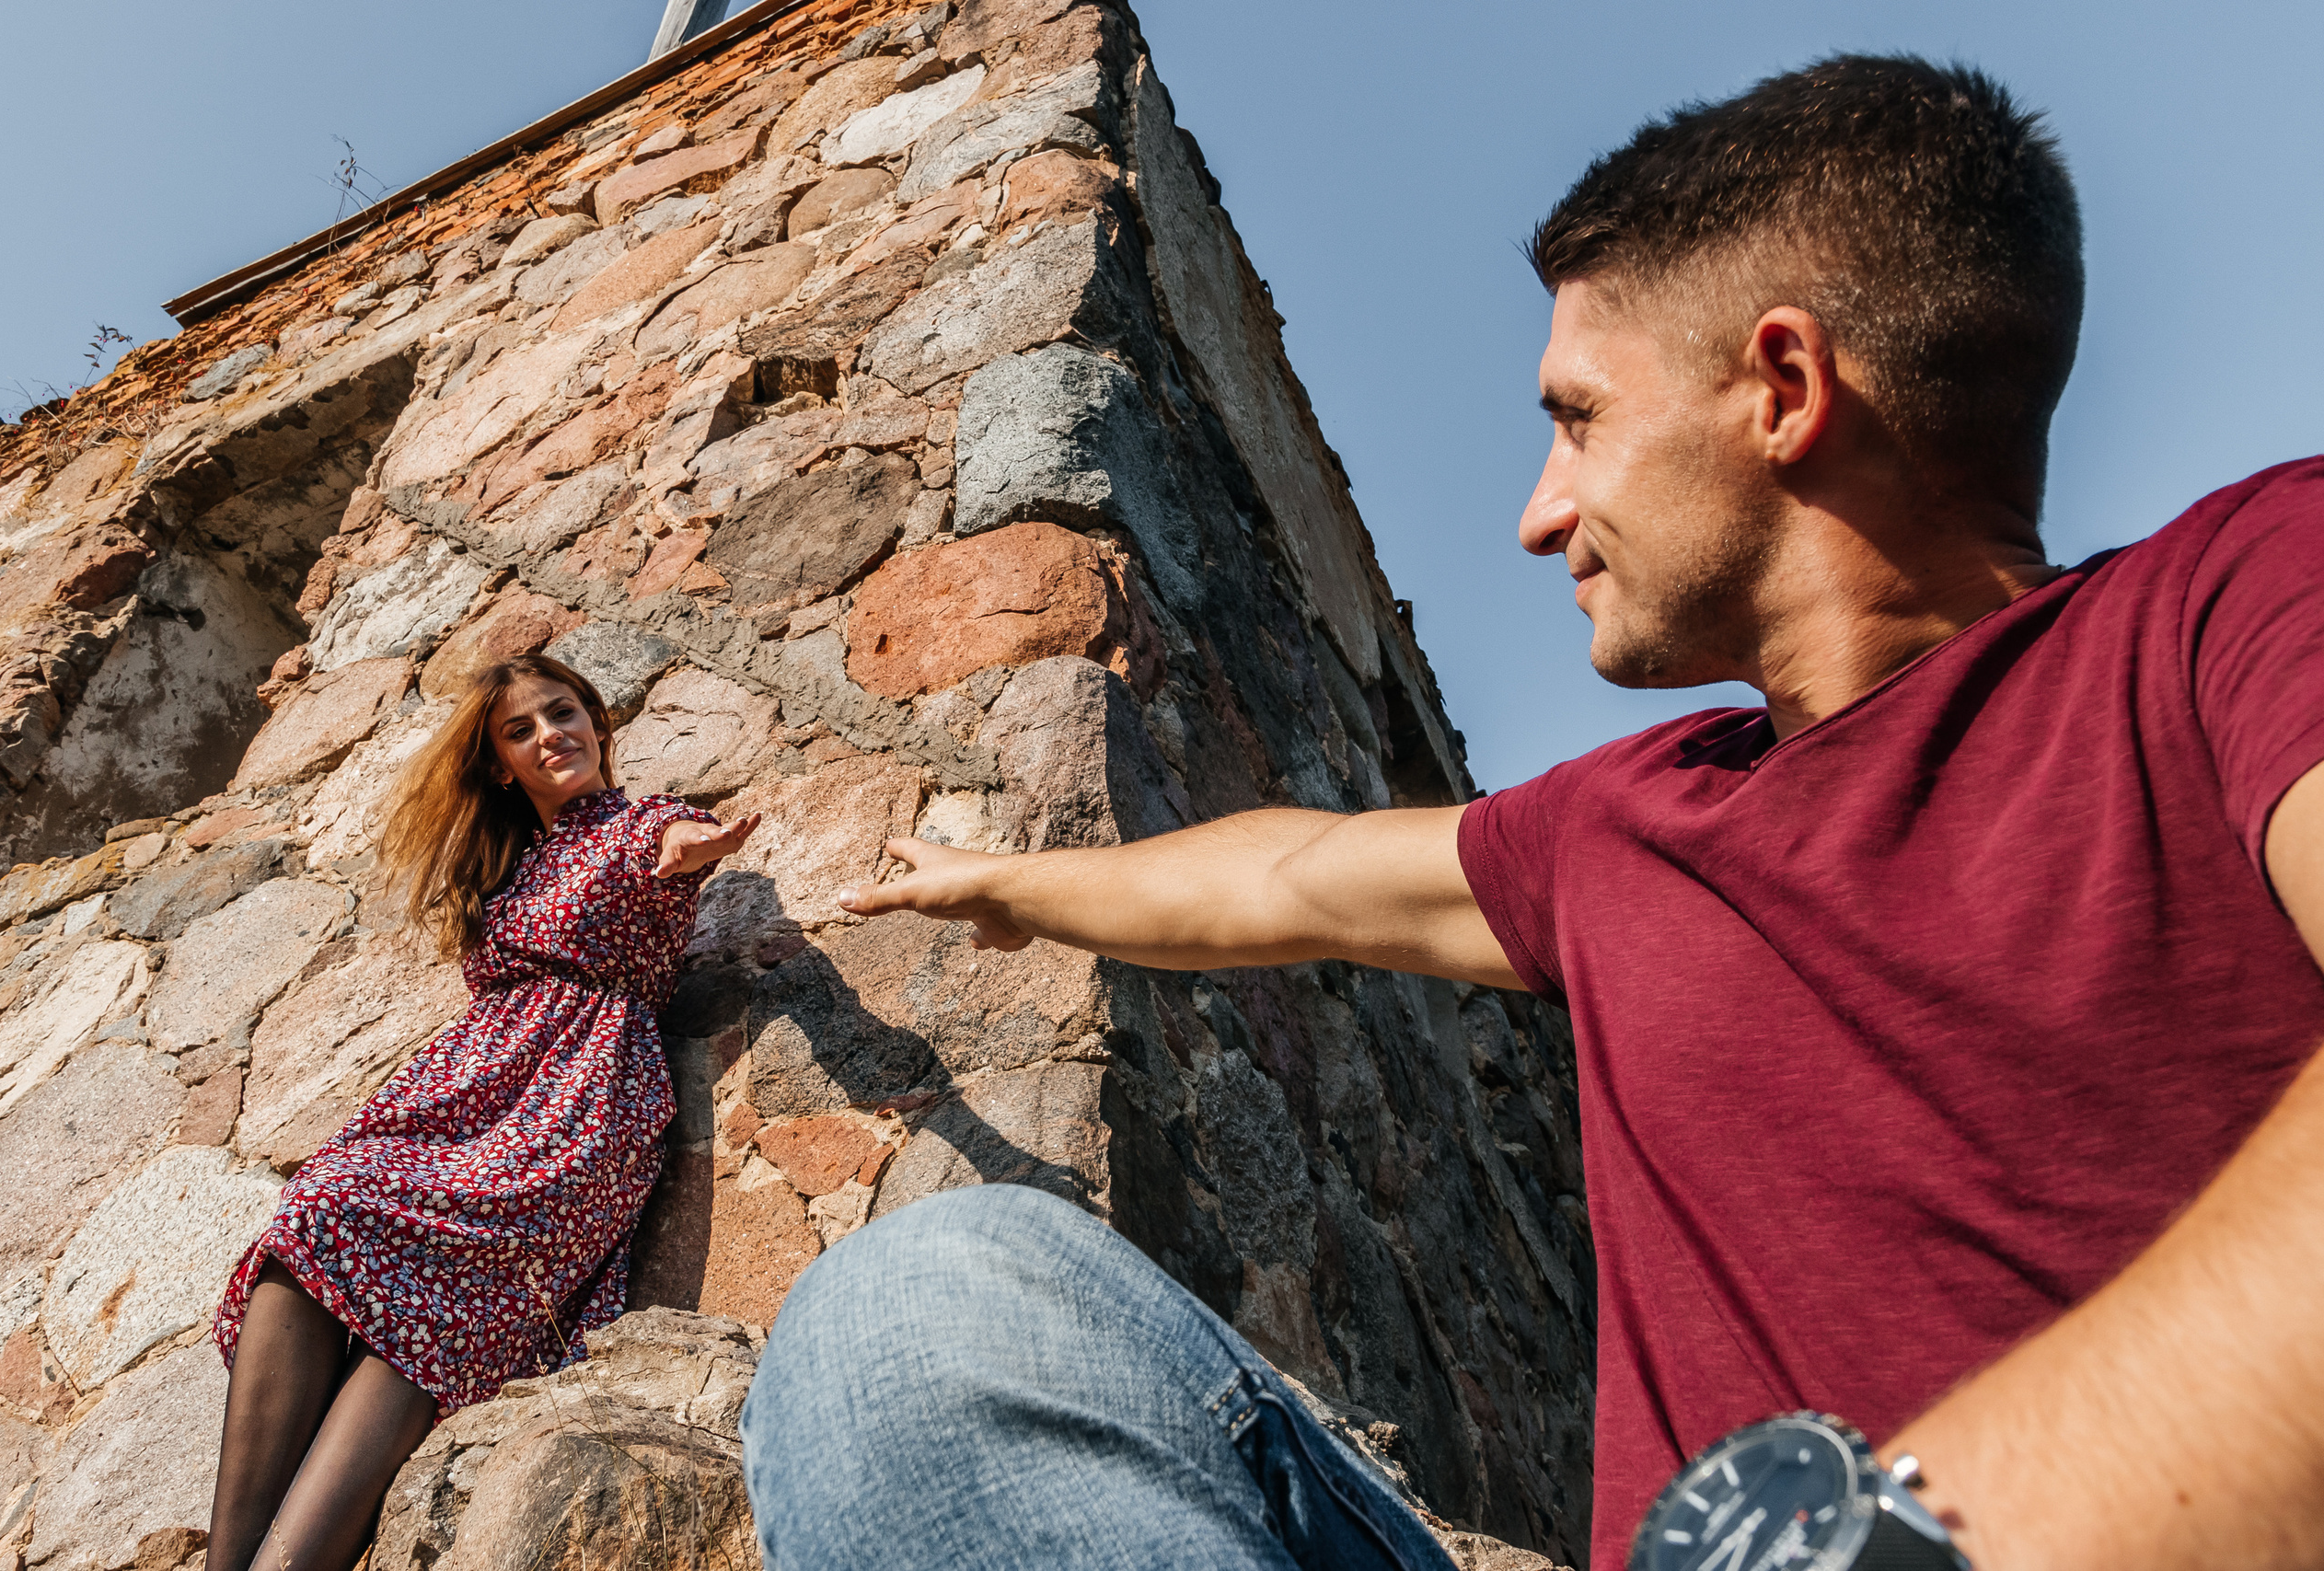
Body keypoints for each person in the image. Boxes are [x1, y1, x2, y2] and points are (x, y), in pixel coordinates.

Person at [737, 53, 2324, 1571]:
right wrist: (1007, 884)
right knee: (922, 1311)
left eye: (1578, 418)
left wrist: (1909, 1535)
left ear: (1781, 386)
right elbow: (1286, 874)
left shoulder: (2237, 600)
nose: (1537, 513)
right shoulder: (1623, 825)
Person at [203, 654, 754, 1571]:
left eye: (565, 711)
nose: (552, 735)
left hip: (575, 1101)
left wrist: (704, 844)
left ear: (597, 722)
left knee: (430, 1296)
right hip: (466, 1098)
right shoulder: (513, 867)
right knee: (313, 1227)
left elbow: (676, 845)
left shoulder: (639, 820)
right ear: (501, 763)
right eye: (522, 730)